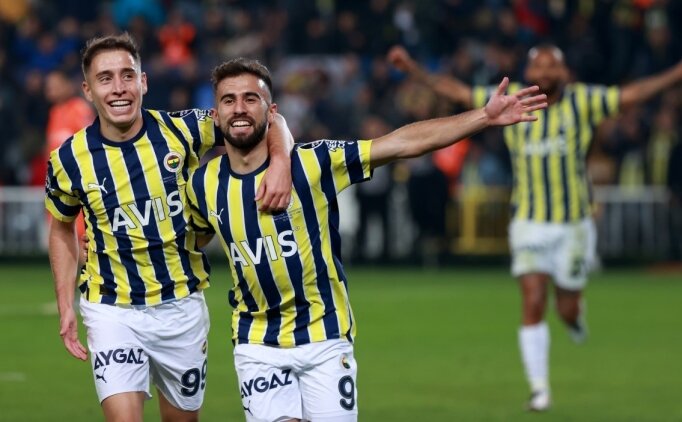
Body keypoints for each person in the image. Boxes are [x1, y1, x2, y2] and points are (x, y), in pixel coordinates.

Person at [185, 57, 546, 421]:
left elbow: (400, 144)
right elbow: (191, 243)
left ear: (272, 111)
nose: (239, 108)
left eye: (251, 98)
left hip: (325, 336)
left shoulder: (314, 163)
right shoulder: (201, 184)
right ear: (216, 114)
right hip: (257, 343)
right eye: (229, 100)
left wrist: (483, 116)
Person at [387, 44, 682, 411]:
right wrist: (414, 69)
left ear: (564, 72)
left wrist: (676, 73)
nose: (544, 72)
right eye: (538, 66)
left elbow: (632, 95)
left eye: (551, 65)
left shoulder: (584, 100)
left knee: (566, 307)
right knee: (533, 299)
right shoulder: (511, 98)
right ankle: (540, 390)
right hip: (528, 220)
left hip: (573, 223)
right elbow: (459, 92)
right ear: (527, 72)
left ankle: (574, 318)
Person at [45, 33, 293, 422]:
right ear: (88, 90)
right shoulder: (68, 159)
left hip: (181, 307)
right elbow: (61, 228)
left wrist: (280, 163)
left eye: (128, 75)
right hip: (111, 308)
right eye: (105, 78)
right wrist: (65, 305)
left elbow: (269, 119)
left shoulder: (184, 130)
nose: (119, 87)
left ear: (143, 82)